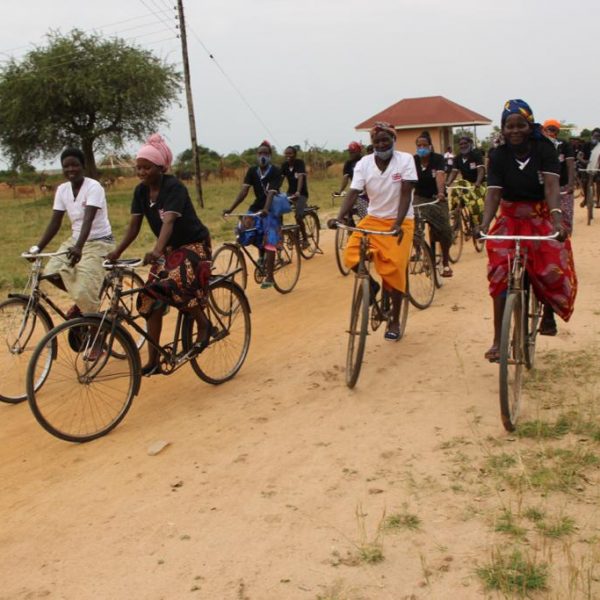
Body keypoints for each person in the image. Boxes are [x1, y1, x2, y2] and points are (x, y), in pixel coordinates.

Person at [479, 99, 577, 360]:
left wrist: (557, 220)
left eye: (520, 125)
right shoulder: (497, 154)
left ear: (529, 125)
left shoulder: (544, 148)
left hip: (540, 215)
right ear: (503, 128)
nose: (514, 131)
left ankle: (547, 312)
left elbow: (552, 187)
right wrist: (483, 223)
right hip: (509, 218)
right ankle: (499, 341)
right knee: (500, 272)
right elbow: (493, 193)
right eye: (509, 126)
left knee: (551, 266)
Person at [106, 134, 212, 376]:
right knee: (150, 296)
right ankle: (153, 359)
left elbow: (169, 221)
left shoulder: (174, 187)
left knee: (177, 277)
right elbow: (134, 227)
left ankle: (203, 323)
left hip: (194, 244)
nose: (141, 172)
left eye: (147, 168)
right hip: (169, 249)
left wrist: (156, 250)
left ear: (160, 167)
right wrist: (116, 252)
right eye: (138, 168)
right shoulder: (140, 193)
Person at [330, 122, 416, 341]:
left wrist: (397, 223)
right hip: (373, 219)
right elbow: (354, 191)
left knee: (394, 268)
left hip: (401, 221)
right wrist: (340, 217)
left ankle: (395, 320)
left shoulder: (405, 160)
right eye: (377, 141)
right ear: (372, 143)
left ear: (393, 140)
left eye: (385, 140)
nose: (381, 144)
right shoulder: (364, 163)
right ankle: (372, 284)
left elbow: (406, 193)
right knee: (351, 253)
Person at [30, 147, 115, 323]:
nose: (70, 170)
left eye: (74, 165)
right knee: (51, 272)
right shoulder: (62, 189)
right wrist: (38, 248)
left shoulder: (94, 187)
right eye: (66, 166)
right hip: (76, 240)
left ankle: (97, 332)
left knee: (84, 290)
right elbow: (55, 221)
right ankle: (81, 303)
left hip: (99, 242)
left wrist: (79, 247)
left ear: (82, 166)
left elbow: (88, 219)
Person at [224, 141, 283, 289]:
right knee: (245, 228)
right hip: (257, 206)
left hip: (272, 207)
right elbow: (244, 192)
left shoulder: (276, 171)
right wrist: (231, 209)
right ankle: (261, 256)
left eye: (266, 154)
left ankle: (270, 276)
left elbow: (271, 193)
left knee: (270, 238)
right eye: (260, 154)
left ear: (270, 156)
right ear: (256, 156)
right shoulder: (252, 171)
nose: (262, 156)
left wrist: (266, 209)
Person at [413, 131, 454, 277]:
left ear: (430, 146)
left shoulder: (437, 159)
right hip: (420, 197)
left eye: (424, 145)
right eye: (419, 145)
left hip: (437, 198)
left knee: (445, 230)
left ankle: (445, 263)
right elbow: (408, 181)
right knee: (413, 227)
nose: (421, 148)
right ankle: (422, 253)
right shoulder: (413, 160)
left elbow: (440, 176)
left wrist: (441, 192)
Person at [542, 119, 575, 233]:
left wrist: (571, 184)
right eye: (548, 129)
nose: (551, 132)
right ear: (543, 131)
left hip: (563, 184)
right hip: (546, 187)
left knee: (566, 212)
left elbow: (570, 165)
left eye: (553, 129)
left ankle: (565, 235)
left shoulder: (564, 145)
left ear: (558, 132)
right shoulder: (540, 146)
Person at [446, 136, 486, 226]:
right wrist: (448, 182)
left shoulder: (476, 154)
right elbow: (454, 172)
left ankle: (478, 226)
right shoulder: (457, 158)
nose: (463, 146)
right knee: (456, 189)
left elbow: (481, 170)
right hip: (466, 185)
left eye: (465, 143)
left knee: (475, 205)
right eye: (461, 144)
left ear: (470, 144)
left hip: (479, 184)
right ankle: (455, 212)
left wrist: (478, 182)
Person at [280, 145, 309, 247]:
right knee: (278, 209)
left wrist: (298, 191)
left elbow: (301, 177)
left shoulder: (299, 163)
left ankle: (305, 239)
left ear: (295, 154)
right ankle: (282, 233)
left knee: (298, 216)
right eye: (286, 153)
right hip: (289, 193)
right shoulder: (284, 165)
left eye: (290, 153)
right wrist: (274, 190)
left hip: (301, 194)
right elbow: (280, 179)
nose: (288, 156)